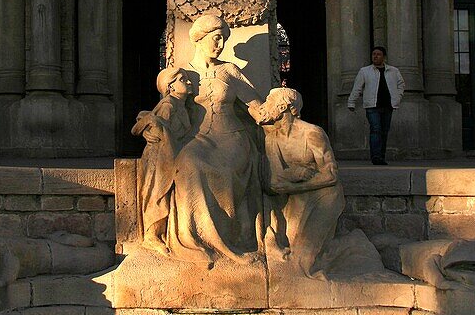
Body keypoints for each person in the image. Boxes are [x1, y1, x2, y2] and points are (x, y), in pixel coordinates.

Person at [170, 14, 267, 266]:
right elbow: (170, 107)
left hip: (232, 139)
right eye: (216, 39)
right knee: (188, 163)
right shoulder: (184, 75)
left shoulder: (229, 70)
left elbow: (256, 106)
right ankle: (199, 239)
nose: (220, 45)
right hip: (200, 138)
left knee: (225, 169)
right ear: (200, 39)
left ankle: (231, 239)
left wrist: (281, 117)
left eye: (223, 40)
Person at [261, 88, 344, 278]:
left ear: (283, 107)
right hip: (295, 198)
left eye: (269, 101)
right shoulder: (272, 139)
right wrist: (296, 174)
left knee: (303, 259)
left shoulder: (312, 133)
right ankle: (351, 244)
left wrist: (294, 184)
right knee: (293, 248)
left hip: (324, 195)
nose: (265, 105)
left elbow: (331, 175)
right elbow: (276, 181)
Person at [131, 67, 194, 255]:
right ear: (170, 87)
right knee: (156, 193)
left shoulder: (180, 105)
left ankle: (159, 233)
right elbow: (158, 130)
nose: (189, 82)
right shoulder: (169, 105)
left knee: (163, 193)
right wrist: (152, 130)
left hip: (170, 155)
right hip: (159, 158)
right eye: (183, 79)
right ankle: (152, 236)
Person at [347, 46, 405, 165]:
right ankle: (376, 157)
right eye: (374, 54)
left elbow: (401, 85)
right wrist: (351, 102)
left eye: (378, 54)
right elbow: (357, 87)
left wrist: (398, 97)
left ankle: (381, 156)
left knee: (384, 131)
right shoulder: (365, 71)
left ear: (384, 57)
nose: (375, 56)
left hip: (388, 105)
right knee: (376, 129)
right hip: (372, 106)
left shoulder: (394, 71)